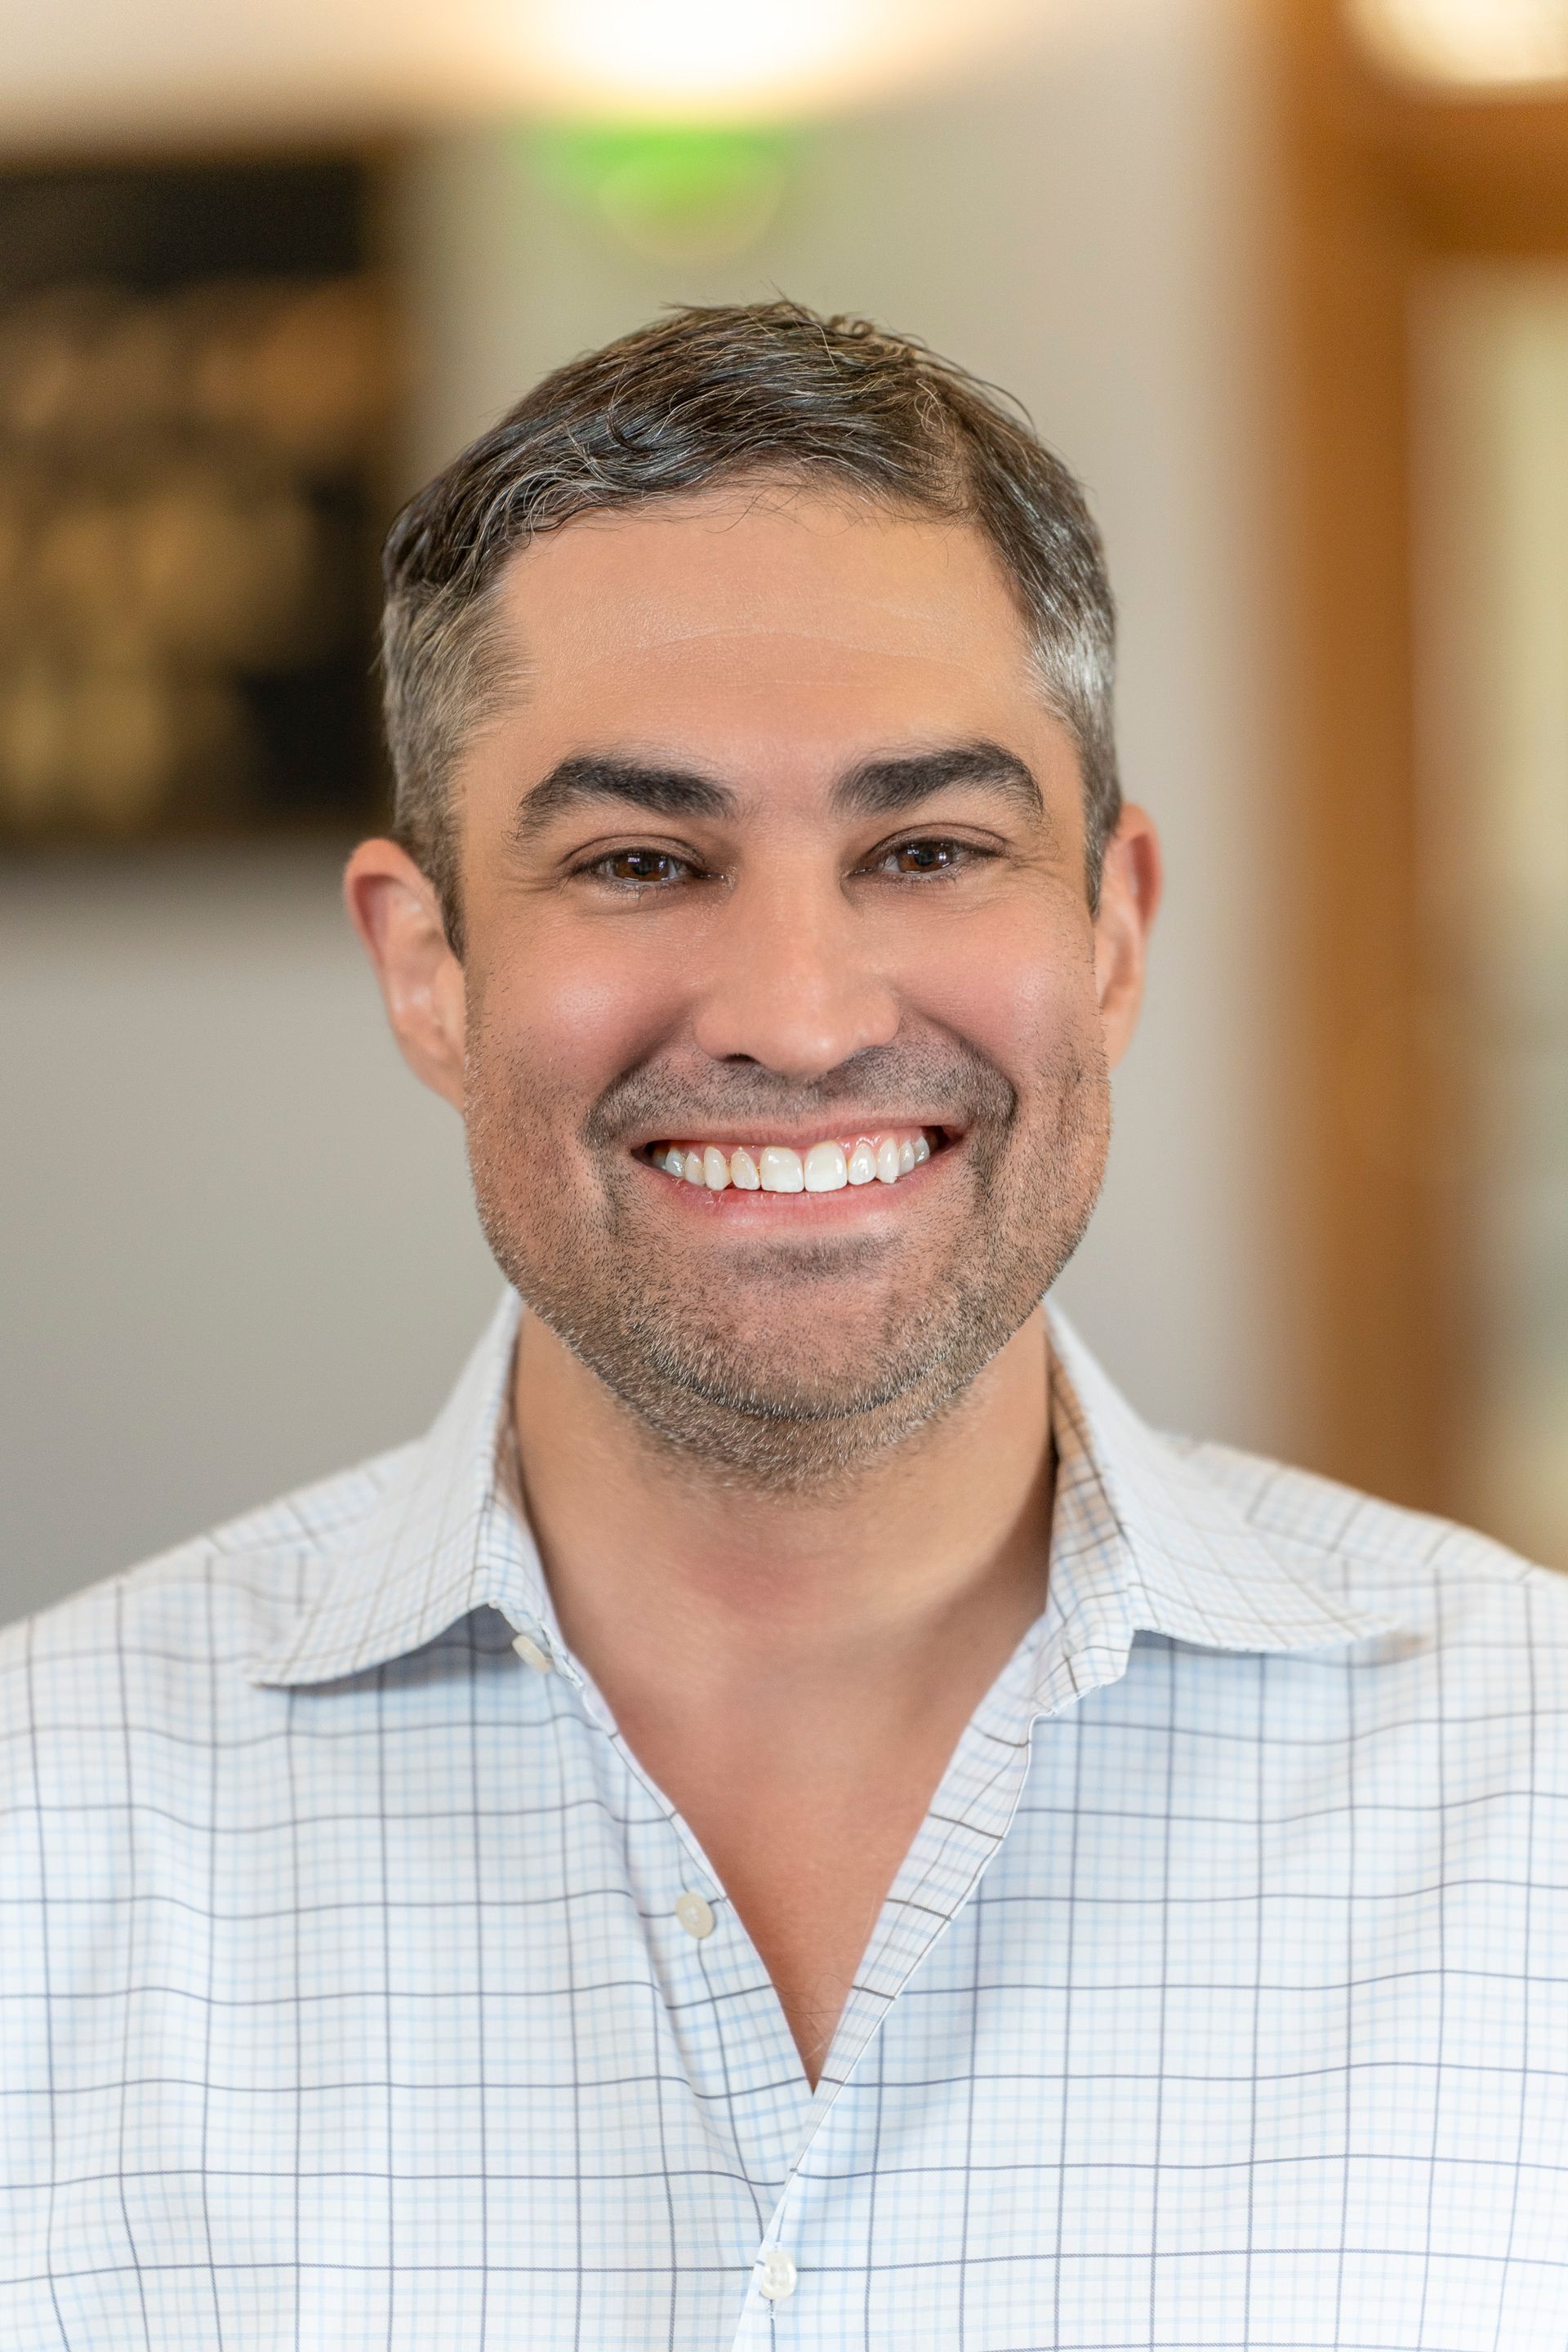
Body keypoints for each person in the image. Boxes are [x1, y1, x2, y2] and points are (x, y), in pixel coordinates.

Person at [3, 302, 1563, 2352]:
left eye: (927, 849)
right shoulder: (44, 1837)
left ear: (1112, 932)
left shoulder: (1532, 1786)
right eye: (642, 861)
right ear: (427, 969)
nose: (802, 1014)